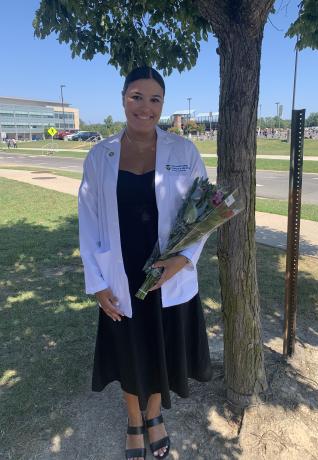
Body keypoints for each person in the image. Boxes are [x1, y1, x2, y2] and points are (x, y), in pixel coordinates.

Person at [78, 66, 212, 460]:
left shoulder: (183, 151)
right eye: (137, 96)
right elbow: (87, 221)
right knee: (128, 347)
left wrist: (182, 260)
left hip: (166, 273)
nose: (145, 106)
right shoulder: (99, 155)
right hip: (118, 270)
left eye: (155, 99)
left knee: (161, 346)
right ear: (123, 98)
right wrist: (97, 282)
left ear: (163, 106)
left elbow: (204, 212)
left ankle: (154, 416)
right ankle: (133, 419)